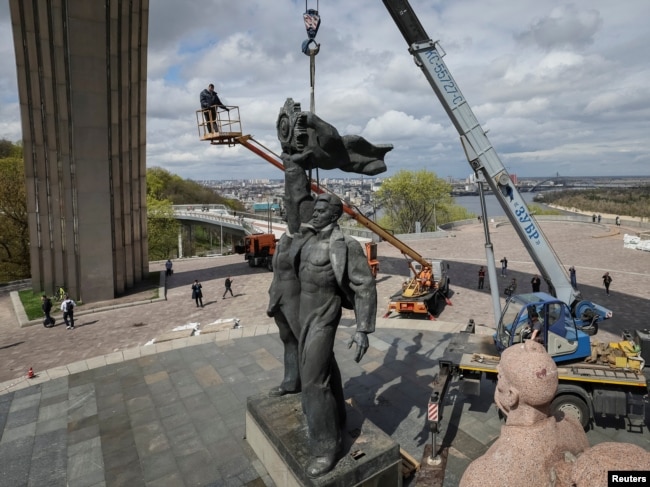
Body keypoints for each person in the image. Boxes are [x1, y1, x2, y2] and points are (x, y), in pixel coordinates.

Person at [289, 191, 377, 478]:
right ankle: (336, 417)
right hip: (302, 315)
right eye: (316, 206)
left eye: (323, 208)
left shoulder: (345, 246)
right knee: (324, 369)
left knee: (314, 381)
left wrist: (363, 329)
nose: (316, 211)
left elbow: (364, 285)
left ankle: (326, 447)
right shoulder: (306, 238)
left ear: (335, 214)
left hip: (324, 317)